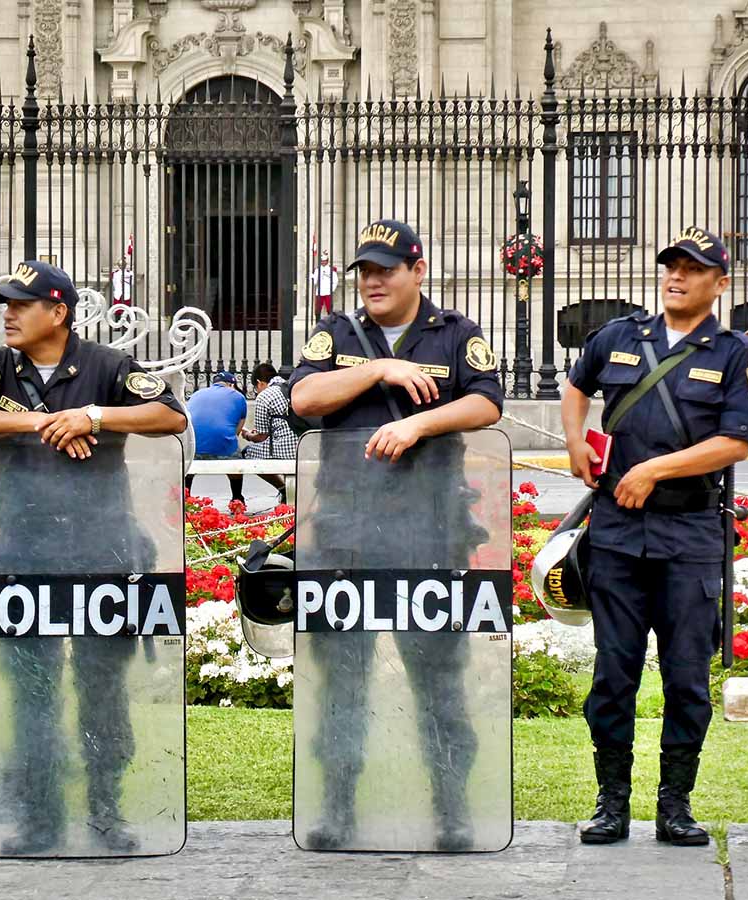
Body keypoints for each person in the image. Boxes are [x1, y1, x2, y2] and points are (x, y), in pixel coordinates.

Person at [0, 259, 187, 854]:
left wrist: (94, 415)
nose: (7, 314)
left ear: (58, 312)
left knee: (102, 691)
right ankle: (40, 819)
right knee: (33, 695)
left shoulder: (106, 366)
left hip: (101, 553)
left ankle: (107, 813)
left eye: (19, 304)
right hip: (22, 554)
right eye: (4, 304)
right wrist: (43, 422)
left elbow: (170, 415)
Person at [289, 218, 503, 851]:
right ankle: (336, 809)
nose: (372, 281)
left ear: (418, 272)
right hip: (343, 541)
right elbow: (303, 398)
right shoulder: (337, 333)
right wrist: (379, 369)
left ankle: (452, 812)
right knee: (341, 684)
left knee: (439, 681)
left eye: (386, 269)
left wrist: (419, 426)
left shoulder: (455, 333)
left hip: (430, 537)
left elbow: (488, 404)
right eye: (365, 271)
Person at [561, 227, 748, 848]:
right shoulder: (621, 337)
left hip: (691, 533)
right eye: (671, 265)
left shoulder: (737, 355)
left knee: (685, 678)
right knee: (614, 672)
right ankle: (612, 803)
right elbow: (576, 386)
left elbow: (735, 442)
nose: (676, 276)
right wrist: (575, 441)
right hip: (620, 534)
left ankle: (675, 804)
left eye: (693, 268)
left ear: (719, 283)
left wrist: (653, 469)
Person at [184, 370, 248, 506]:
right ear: (231, 385)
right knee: (235, 460)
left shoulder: (196, 394)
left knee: (189, 465)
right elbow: (237, 430)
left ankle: (185, 494)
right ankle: (237, 497)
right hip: (224, 447)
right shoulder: (238, 396)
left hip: (194, 447)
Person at [239, 361, 292, 502]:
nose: (257, 391)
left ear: (259, 383)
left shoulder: (265, 395)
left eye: (256, 388)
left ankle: (283, 489)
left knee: (247, 453)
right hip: (304, 445)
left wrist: (248, 435)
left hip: (284, 450)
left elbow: (261, 437)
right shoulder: (293, 386)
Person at [310, 250, 338, 317]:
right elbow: (315, 281)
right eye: (322, 261)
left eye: (324, 261)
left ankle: (330, 323)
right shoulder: (317, 270)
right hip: (320, 291)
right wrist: (311, 277)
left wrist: (332, 289)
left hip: (328, 291)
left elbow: (335, 281)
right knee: (318, 309)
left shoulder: (331, 269)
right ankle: (317, 323)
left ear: (327, 261)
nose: (323, 262)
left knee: (329, 309)